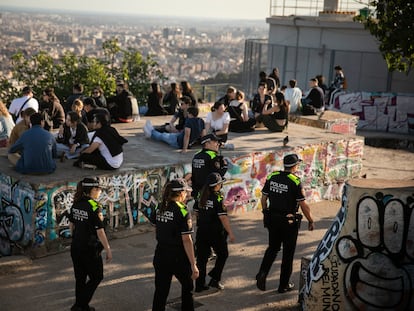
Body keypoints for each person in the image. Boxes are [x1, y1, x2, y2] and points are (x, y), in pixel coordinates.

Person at [256, 153, 315, 293]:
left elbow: (263, 199)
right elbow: (303, 205)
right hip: (289, 222)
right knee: (288, 254)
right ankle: (283, 285)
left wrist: (266, 213)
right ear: (295, 166)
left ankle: (262, 273)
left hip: (273, 219)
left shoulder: (272, 176)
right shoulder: (295, 181)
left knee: (273, 248)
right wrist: (311, 220)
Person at [151, 178, 199, 311]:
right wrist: (193, 264)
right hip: (178, 257)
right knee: (188, 287)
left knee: (161, 291)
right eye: (186, 192)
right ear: (180, 193)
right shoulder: (182, 210)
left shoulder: (159, 206)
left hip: (160, 254)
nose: (187, 195)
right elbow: (186, 239)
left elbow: (156, 229)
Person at [69, 177, 112, 311]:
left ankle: (82, 306)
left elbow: (72, 226)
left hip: (76, 247)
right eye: (96, 188)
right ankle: (79, 304)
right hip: (89, 249)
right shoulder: (94, 206)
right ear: (90, 190)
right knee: (97, 276)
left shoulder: (76, 203)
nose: (99, 191)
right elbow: (100, 232)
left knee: (80, 279)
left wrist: (77, 238)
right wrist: (108, 249)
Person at [194, 172, 235, 292]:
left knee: (201, 259)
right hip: (216, 233)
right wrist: (230, 233)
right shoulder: (218, 197)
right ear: (216, 185)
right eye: (220, 183)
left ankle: (199, 285)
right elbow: (223, 218)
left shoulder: (201, 195)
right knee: (223, 255)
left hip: (202, 232)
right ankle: (215, 279)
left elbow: (196, 212)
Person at [191, 133, 227, 210]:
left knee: (200, 215)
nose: (218, 144)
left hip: (198, 193)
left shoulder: (196, 155)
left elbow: (193, 175)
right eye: (215, 142)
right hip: (210, 193)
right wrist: (225, 167)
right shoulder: (213, 156)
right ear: (207, 143)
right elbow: (217, 176)